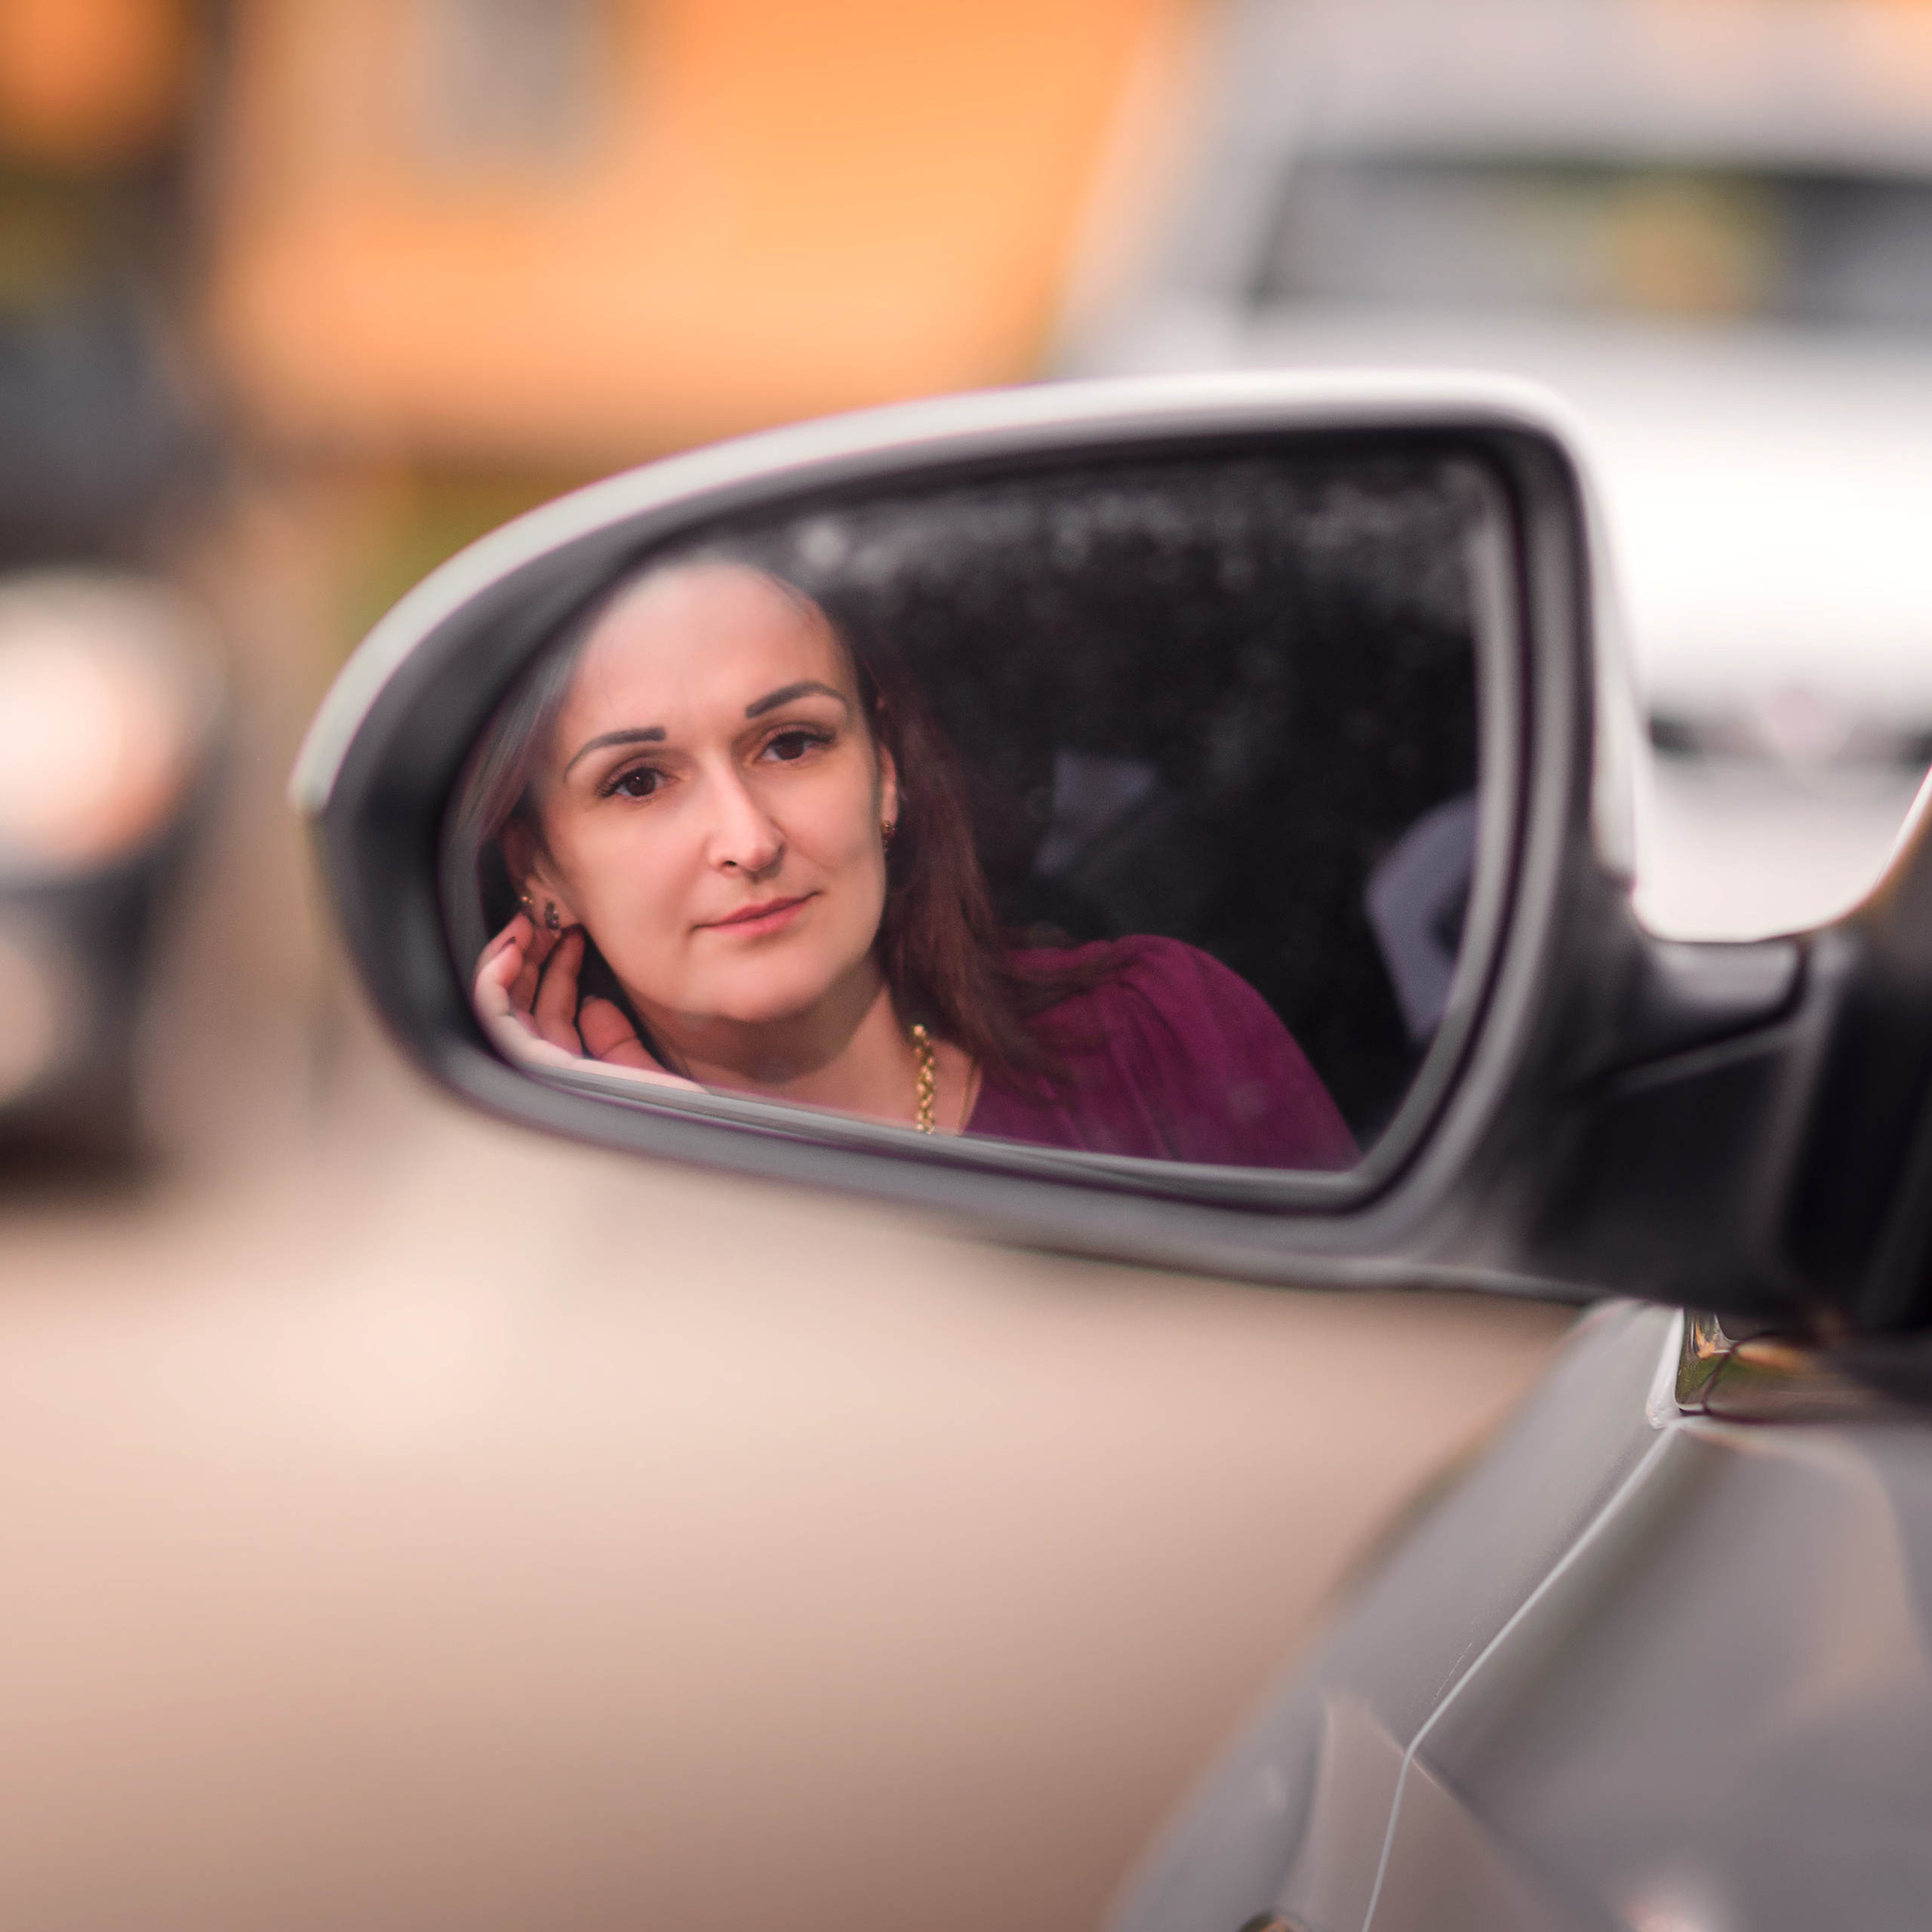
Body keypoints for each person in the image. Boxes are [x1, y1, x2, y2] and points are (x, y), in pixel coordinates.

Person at [447, 549, 1356, 1171]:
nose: (749, 841)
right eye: (639, 782)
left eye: (791, 743)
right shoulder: (571, 1217)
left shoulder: (1162, 1036)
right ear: (540, 868)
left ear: (883, 771)